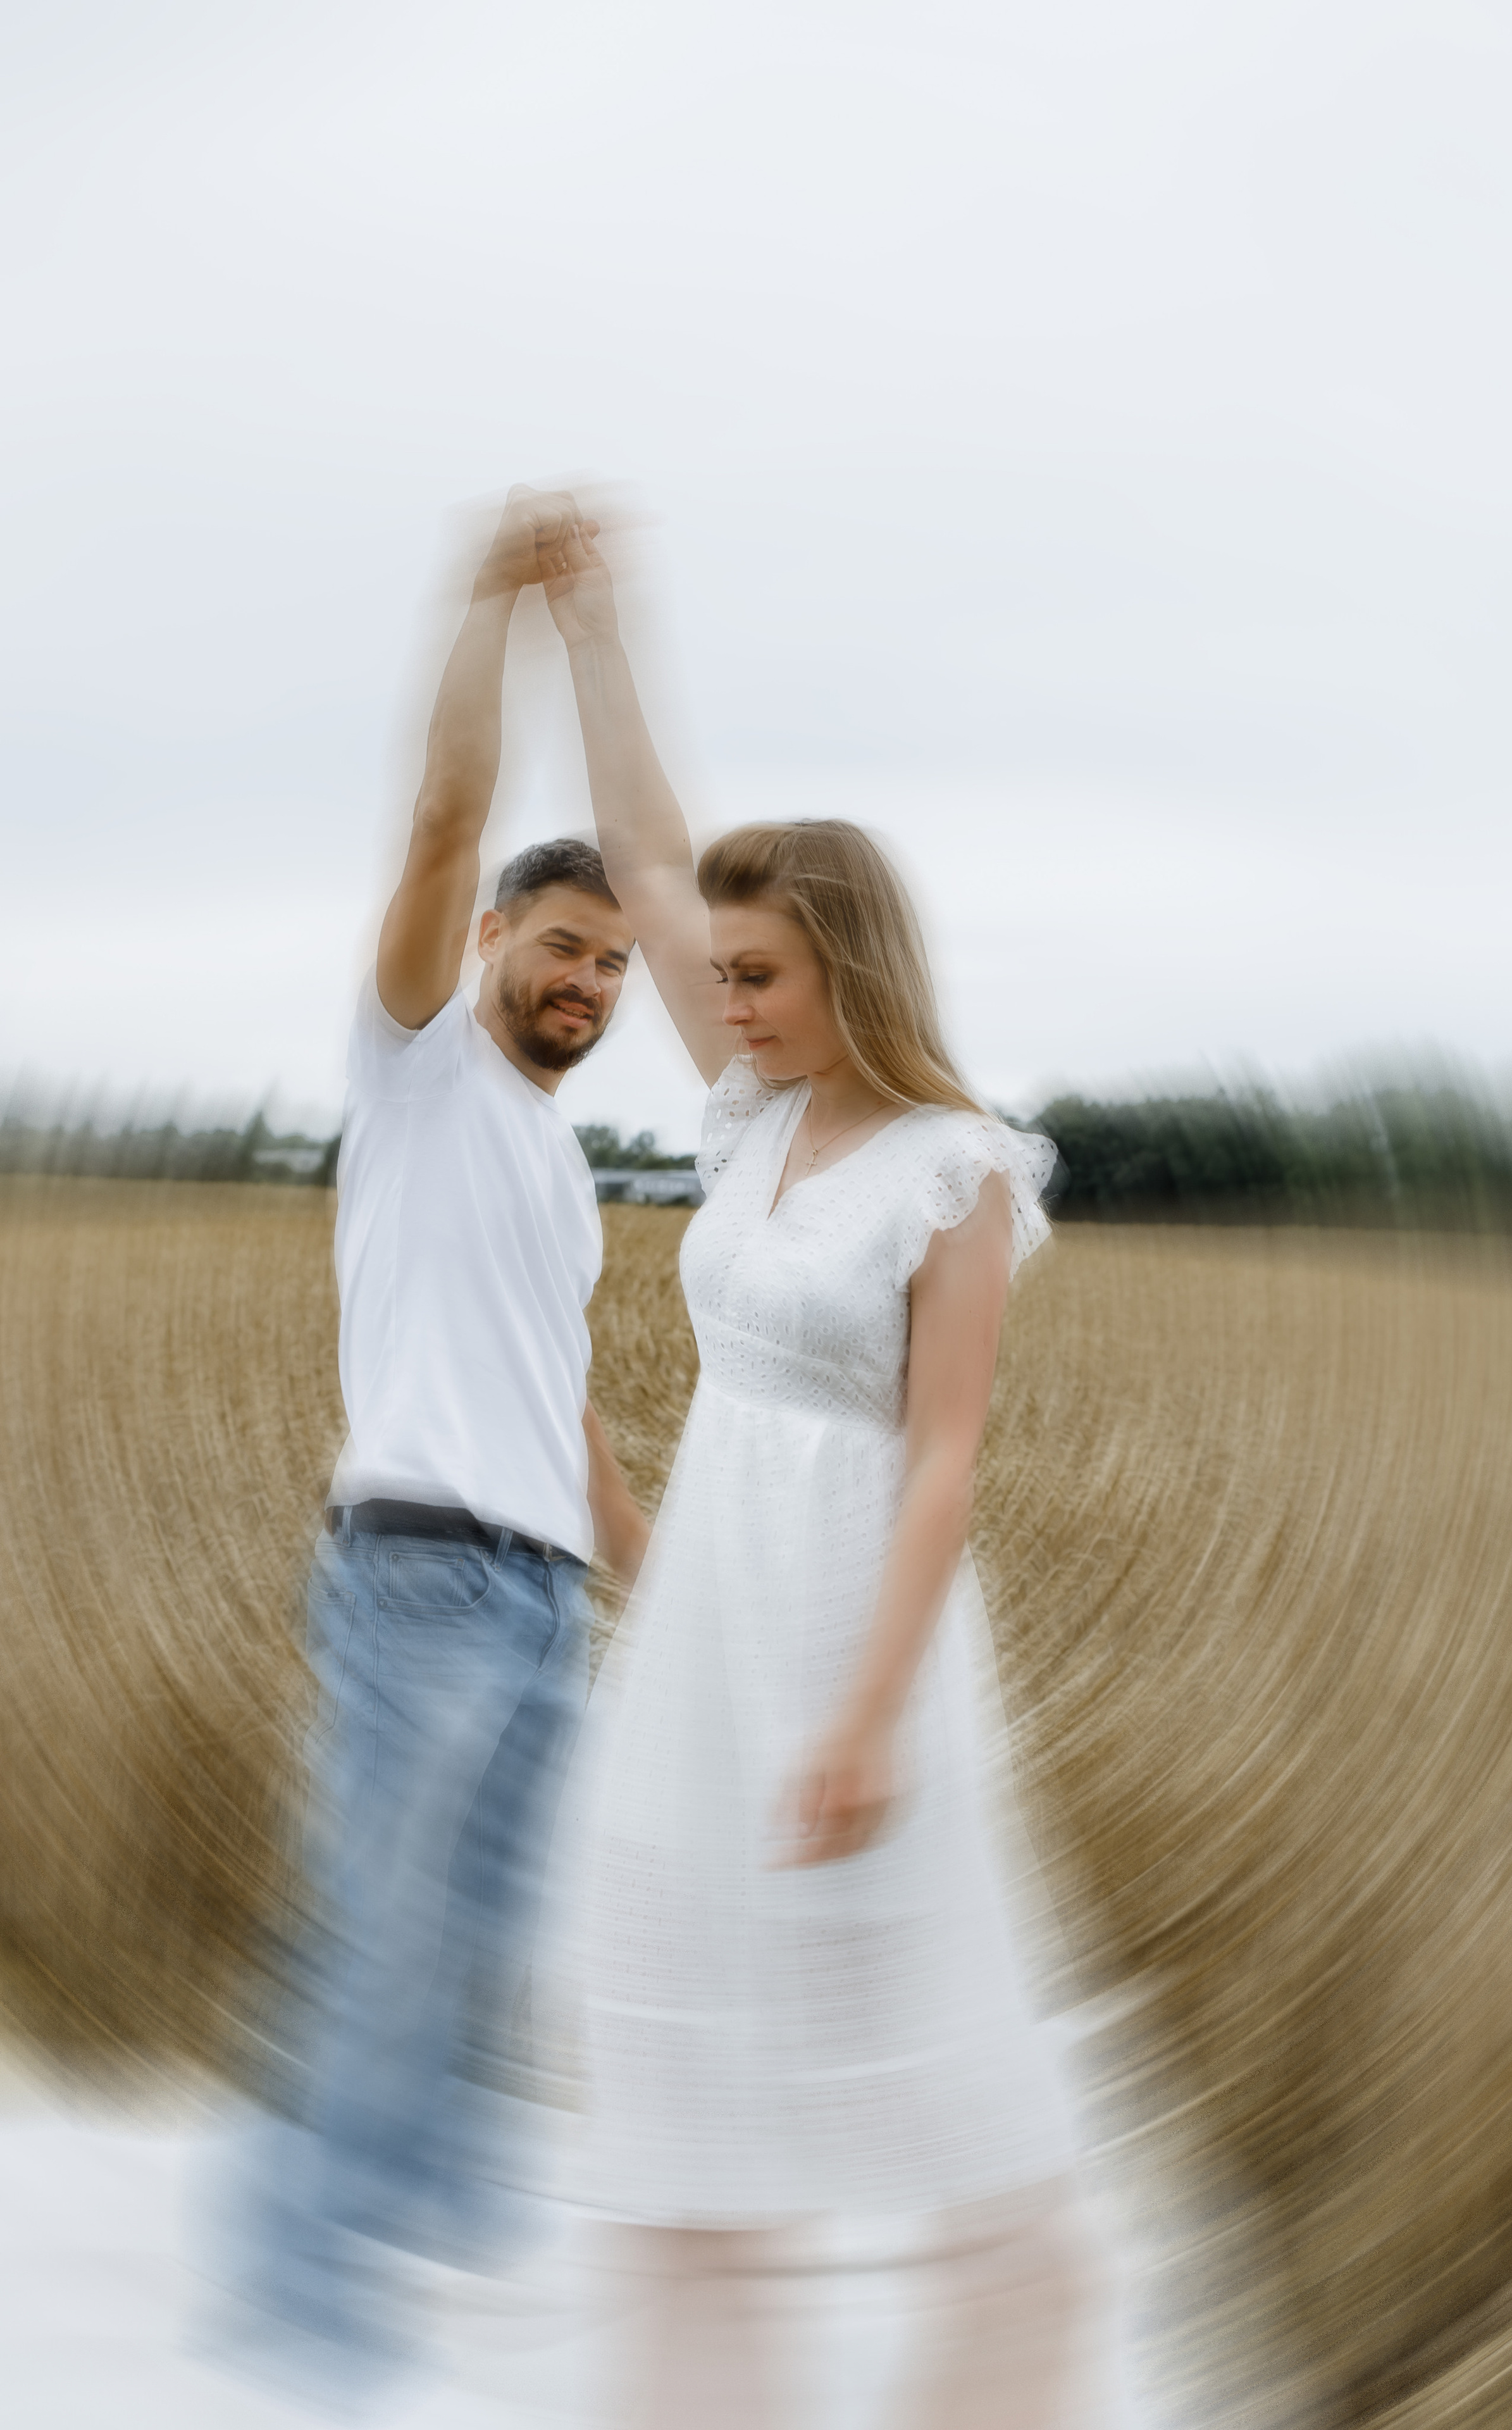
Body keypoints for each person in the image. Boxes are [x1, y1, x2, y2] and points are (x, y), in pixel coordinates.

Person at [540, 511, 1103, 2428]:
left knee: (904, 2016)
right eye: (729, 971)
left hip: (857, 1611)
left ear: (846, 964)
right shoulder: (751, 1113)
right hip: (713, 1601)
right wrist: (593, 625)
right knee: (678, 1999)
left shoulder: (960, 1166)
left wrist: (868, 1715)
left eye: (764, 970)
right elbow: (641, 851)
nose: (724, 994)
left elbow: (944, 1456)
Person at [218, 490, 650, 2397]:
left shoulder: (556, 1165)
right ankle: (298, 2293)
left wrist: (666, 1579)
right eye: (564, 946)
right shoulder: (415, 1060)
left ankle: (436, 2220)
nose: (589, 984)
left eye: (615, 968)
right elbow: (440, 811)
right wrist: (495, 602)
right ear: (489, 940)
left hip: (542, 1596)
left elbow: (559, 1401)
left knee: (482, 1954)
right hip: (413, 1577)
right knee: (379, 1938)